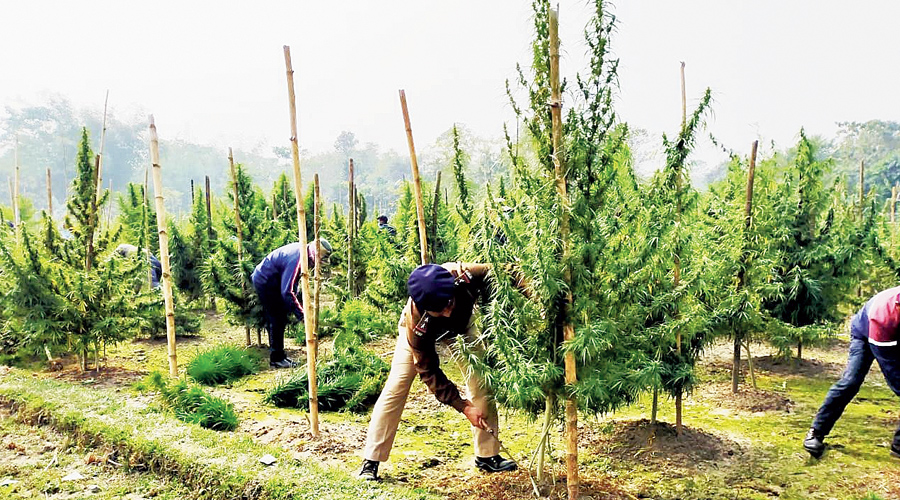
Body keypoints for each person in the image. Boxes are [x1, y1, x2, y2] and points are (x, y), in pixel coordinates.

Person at [358, 262, 517, 481]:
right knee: (396, 386)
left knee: (481, 381)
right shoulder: (417, 325)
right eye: (440, 310)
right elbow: (428, 370)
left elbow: (507, 270)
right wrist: (462, 406)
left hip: (463, 329)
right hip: (423, 335)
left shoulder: (465, 275)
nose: (448, 310)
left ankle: (487, 455)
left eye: (449, 303)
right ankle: (371, 460)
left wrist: (539, 298)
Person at [804, 285, 900, 459]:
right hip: (866, 334)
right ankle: (816, 432)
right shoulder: (884, 316)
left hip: (893, 334)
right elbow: (893, 370)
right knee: (850, 382)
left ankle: (899, 445)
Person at [251, 238, 333, 368]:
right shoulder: (298, 258)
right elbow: (287, 292)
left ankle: (281, 356)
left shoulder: (304, 253)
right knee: (277, 317)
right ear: (316, 254)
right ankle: (276, 359)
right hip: (265, 280)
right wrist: (302, 316)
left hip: (276, 279)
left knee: (281, 315)